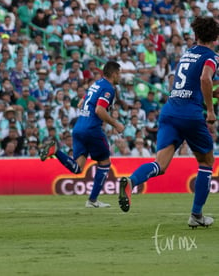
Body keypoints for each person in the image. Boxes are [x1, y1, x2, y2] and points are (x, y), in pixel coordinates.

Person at [118, 16, 219, 229]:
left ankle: (132, 182)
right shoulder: (211, 57)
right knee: (206, 162)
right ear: (216, 37)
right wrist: (210, 110)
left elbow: (186, 82)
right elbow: (204, 79)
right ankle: (196, 215)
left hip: (170, 111)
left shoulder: (187, 54)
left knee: (160, 164)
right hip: (190, 114)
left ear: (196, 35)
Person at [39, 61, 124, 208]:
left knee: (78, 168)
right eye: (120, 73)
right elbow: (99, 110)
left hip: (79, 127)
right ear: (114, 73)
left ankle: (56, 151)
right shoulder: (108, 88)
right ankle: (92, 201)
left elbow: (81, 103)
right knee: (104, 163)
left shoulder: (96, 84)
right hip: (92, 129)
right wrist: (116, 124)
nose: (120, 76)